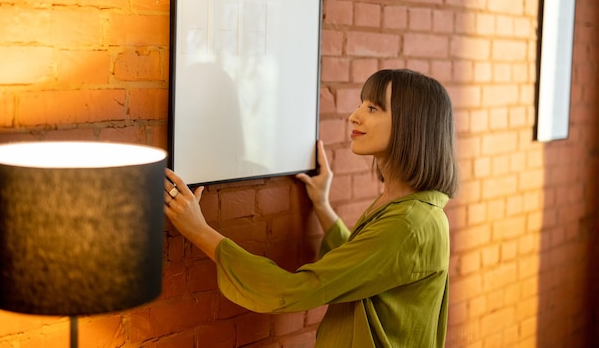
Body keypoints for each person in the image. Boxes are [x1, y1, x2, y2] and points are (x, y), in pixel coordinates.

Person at [164, 69, 460, 347]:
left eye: (373, 108)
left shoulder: (409, 224)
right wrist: (322, 205)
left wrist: (199, 231)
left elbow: (295, 290)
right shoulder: (403, 207)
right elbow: (362, 264)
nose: (354, 116)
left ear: (412, 125)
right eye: (362, 105)